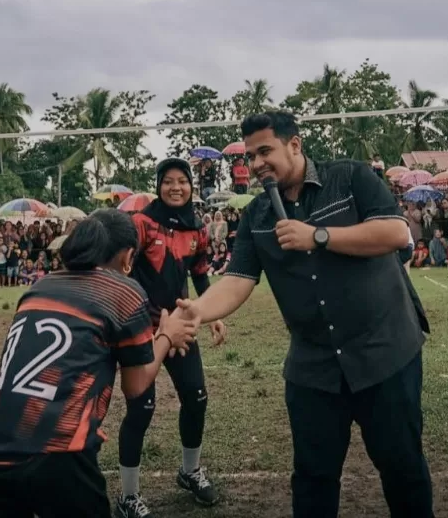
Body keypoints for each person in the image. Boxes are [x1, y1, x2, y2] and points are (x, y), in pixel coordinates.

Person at [176, 111, 433, 518]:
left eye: (265, 151)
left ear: (294, 144)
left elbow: (395, 233)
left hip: (385, 355)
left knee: (403, 469)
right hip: (314, 369)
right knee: (313, 478)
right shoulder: (258, 216)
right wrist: (198, 311)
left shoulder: (349, 179)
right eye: (249, 156)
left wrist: (318, 235)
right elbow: (238, 280)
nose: (256, 163)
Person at [0, 210, 199, 518]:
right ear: (129, 257)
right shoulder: (124, 291)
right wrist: (167, 335)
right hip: (59, 452)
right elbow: (137, 386)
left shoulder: (39, 287)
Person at [115, 158, 228, 517]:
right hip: (141, 329)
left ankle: (190, 471)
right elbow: (121, 267)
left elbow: (199, 275)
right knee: (141, 409)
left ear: (192, 187)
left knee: (196, 398)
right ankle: (128, 497)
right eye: (168, 181)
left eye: (182, 181)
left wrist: (211, 314)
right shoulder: (141, 223)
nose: (175, 187)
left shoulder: (197, 230)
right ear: (158, 186)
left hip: (178, 326)